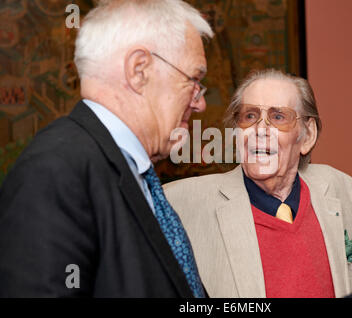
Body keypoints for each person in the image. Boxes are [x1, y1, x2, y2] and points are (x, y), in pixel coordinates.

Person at [0, 0, 213, 297]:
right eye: (193, 80)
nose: (200, 102)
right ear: (139, 70)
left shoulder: (130, 172)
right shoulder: (55, 171)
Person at [163, 69, 352, 298]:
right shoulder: (180, 203)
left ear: (306, 136)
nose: (260, 130)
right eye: (249, 116)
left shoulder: (338, 187)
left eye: (278, 117)